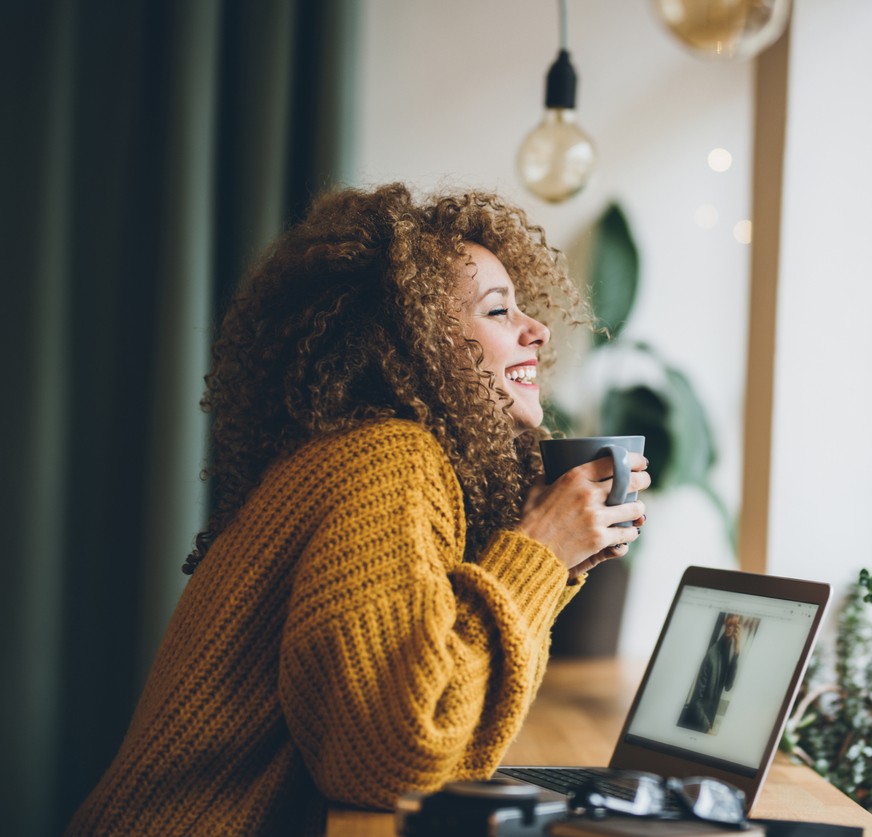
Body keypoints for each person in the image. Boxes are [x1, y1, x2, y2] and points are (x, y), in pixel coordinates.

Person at [67, 183, 649, 835]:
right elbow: (393, 759)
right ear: (417, 337)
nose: (537, 329)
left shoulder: (370, 452)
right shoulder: (387, 460)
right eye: (497, 310)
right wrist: (538, 551)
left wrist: (556, 563)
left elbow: (435, 702)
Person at [679, 613, 742, 734]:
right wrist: (707, 728)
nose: (730, 628)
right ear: (725, 622)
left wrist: (736, 652)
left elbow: (728, 686)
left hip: (707, 723)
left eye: (734, 626)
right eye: (729, 624)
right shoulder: (712, 655)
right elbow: (696, 700)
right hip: (696, 724)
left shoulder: (727, 653)